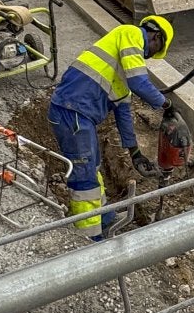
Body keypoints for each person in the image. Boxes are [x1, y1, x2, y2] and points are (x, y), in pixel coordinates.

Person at [47, 16, 179, 239]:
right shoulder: (130, 33)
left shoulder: (118, 71)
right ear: (156, 37)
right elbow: (140, 83)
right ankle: (90, 236)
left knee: (93, 169)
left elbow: (123, 113)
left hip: (79, 116)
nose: (148, 56)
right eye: (154, 50)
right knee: (84, 177)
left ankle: (105, 220)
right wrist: (165, 104)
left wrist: (135, 153)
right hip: (72, 113)